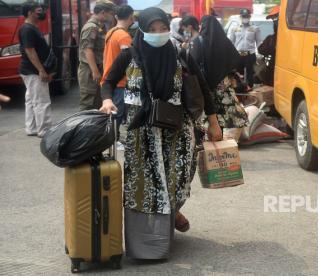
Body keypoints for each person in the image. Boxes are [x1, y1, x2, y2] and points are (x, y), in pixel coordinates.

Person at [99, 7, 222, 259]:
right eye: (152, 29)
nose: (158, 33)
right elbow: (108, 81)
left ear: (169, 27)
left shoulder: (180, 54)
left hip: (178, 132)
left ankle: (173, 210)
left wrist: (214, 122)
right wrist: (107, 100)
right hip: (141, 133)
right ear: (142, 29)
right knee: (142, 186)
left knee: (178, 180)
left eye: (162, 28)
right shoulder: (130, 54)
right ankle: (146, 245)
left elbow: (203, 89)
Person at [191, 15, 248, 131]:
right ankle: (225, 138)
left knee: (209, 112)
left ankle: (212, 136)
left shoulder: (198, 41)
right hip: (223, 83)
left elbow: (193, 62)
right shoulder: (224, 41)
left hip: (205, 84)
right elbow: (236, 59)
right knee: (226, 112)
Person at [101, 4, 134, 151]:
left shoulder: (111, 32)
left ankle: (113, 138)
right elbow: (129, 61)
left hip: (108, 76)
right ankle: (113, 140)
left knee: (113, 113)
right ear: (131, 17)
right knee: (117, 113)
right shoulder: (124, 36)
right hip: (119, 81)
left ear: (116, 17)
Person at [18, 1, 53, 138]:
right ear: (29, 13)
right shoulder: (27, 29)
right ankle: (44, 130)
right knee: (41, 101)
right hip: (33, 71)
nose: (41, 12)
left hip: (30, 70)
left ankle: (32, 128)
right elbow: (30, 51)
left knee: (32, 100)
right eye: (38, 10)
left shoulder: (32, 27)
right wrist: (41, 70)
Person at [78, 0, 116, 111]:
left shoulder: (100, 26)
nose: (112, 17)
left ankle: (94, 128)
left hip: (95, 69)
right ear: (103, 12)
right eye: (111, 14)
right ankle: (84, 128)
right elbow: (87, 50)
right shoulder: (91, 27)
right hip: (89, 71)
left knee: (97, 102)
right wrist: (95, 71)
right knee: (88, 103)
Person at [227, 8, 261, 90]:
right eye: (243, 16)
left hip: (250, 54)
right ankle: (239, 90)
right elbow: (231, 42)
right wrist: (230, 55)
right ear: (240, 17)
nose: (245, 18)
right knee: (238, 74)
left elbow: (259, 42)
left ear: (249, 17)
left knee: (250, 74)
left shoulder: (255, 28)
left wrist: (259, 54)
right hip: (238, 55)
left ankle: (250, 90)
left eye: (247, 16)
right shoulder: (234, 28)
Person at [257, 5, 279, 86]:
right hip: (272, 72)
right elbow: (261, 49)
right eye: (273, 19)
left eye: (275, 18)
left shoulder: (293, 37)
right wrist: (272, 48)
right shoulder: (271, 39)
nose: (274, 21)